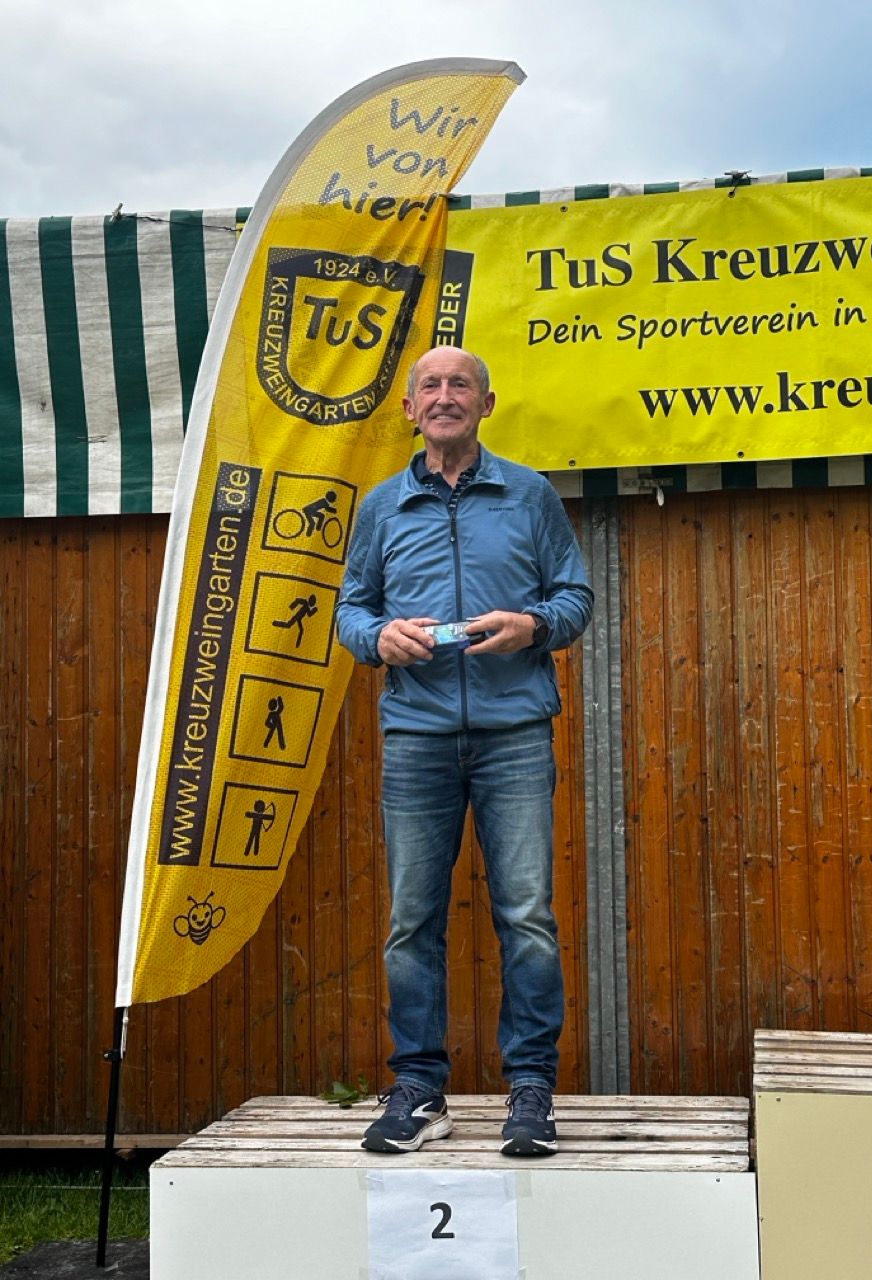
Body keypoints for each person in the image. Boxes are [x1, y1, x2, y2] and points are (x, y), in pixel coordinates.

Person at [335, 346, 593, 1157]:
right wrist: (378, 637)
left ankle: (532, 1092)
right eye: (431, 386)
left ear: (487, 403)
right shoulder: (383, 507)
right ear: (410, 409)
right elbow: (351, 610)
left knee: (528, 916)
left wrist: (534, 625)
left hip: (515, 735)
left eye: (461, 385)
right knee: (412, 920)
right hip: (416, 738)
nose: (445, 396)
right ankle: (419, 1090)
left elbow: (575, 596)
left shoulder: (529, 495)